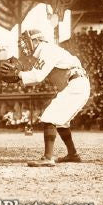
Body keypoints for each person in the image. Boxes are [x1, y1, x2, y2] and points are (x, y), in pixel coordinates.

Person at [9, 29, 90, 167]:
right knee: (61, 122)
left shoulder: (47, 50)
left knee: (49, 116)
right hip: (75, 84)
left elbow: (37, 76)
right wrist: (19, 75)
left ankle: (48, 157)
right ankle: (73, 154)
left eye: (27, 41)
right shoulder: (44, 51)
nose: (25, 45)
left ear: (37, 40)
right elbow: (35, 77)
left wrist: (19, 74)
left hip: (75, 84)